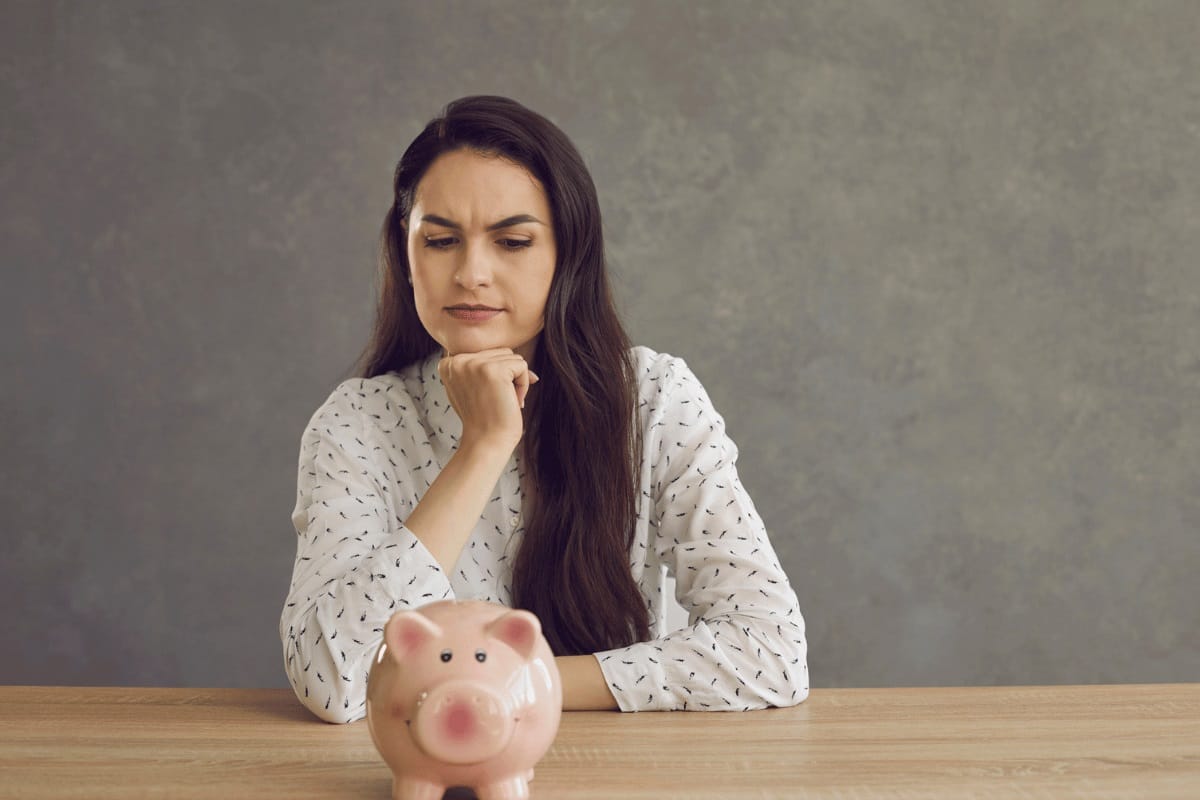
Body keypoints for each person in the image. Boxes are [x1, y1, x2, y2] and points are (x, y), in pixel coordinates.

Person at [280, 95, 808, 723]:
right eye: (442, 240)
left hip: (624, 772)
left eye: (513, 241)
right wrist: (483, 445)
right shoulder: (357, 422)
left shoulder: (653, 398)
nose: (472, 272)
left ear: (567, 255)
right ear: (406, 252)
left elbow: (771, 651)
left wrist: (505, 681)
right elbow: (330, 677)